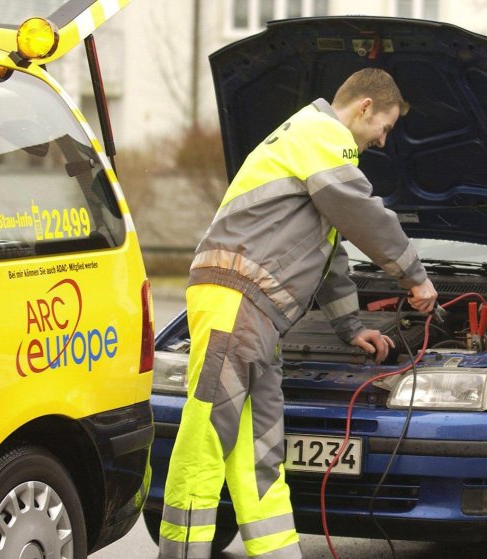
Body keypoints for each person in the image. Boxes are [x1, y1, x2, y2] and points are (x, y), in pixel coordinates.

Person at [158, 68, 438, 559]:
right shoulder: (321, 134)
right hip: (235, 299)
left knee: (259, 449)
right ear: (365, 106)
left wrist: (352, 327)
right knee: (206, 439)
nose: (383, 140)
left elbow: (329, 253)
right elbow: (363, 213)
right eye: (385, 127)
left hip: (255, 312)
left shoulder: (314, 147)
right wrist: (414, 276)